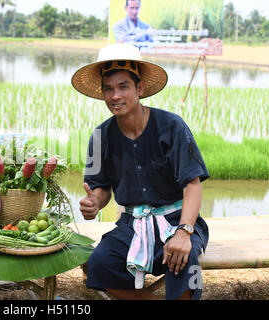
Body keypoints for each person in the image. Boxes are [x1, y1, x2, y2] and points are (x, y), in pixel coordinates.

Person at [71, 43, 209, 300]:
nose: (115, 96)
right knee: (98, 265)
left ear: (140, 88)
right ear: (102, 93)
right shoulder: (100, 136)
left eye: (123, 86)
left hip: (177, 220)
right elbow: (100, 188)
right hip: (132, 224)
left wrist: (183, 231)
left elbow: (192, 185)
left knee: (185, 256)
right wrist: (94, 203)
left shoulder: (172, 126)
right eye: (109, 89)